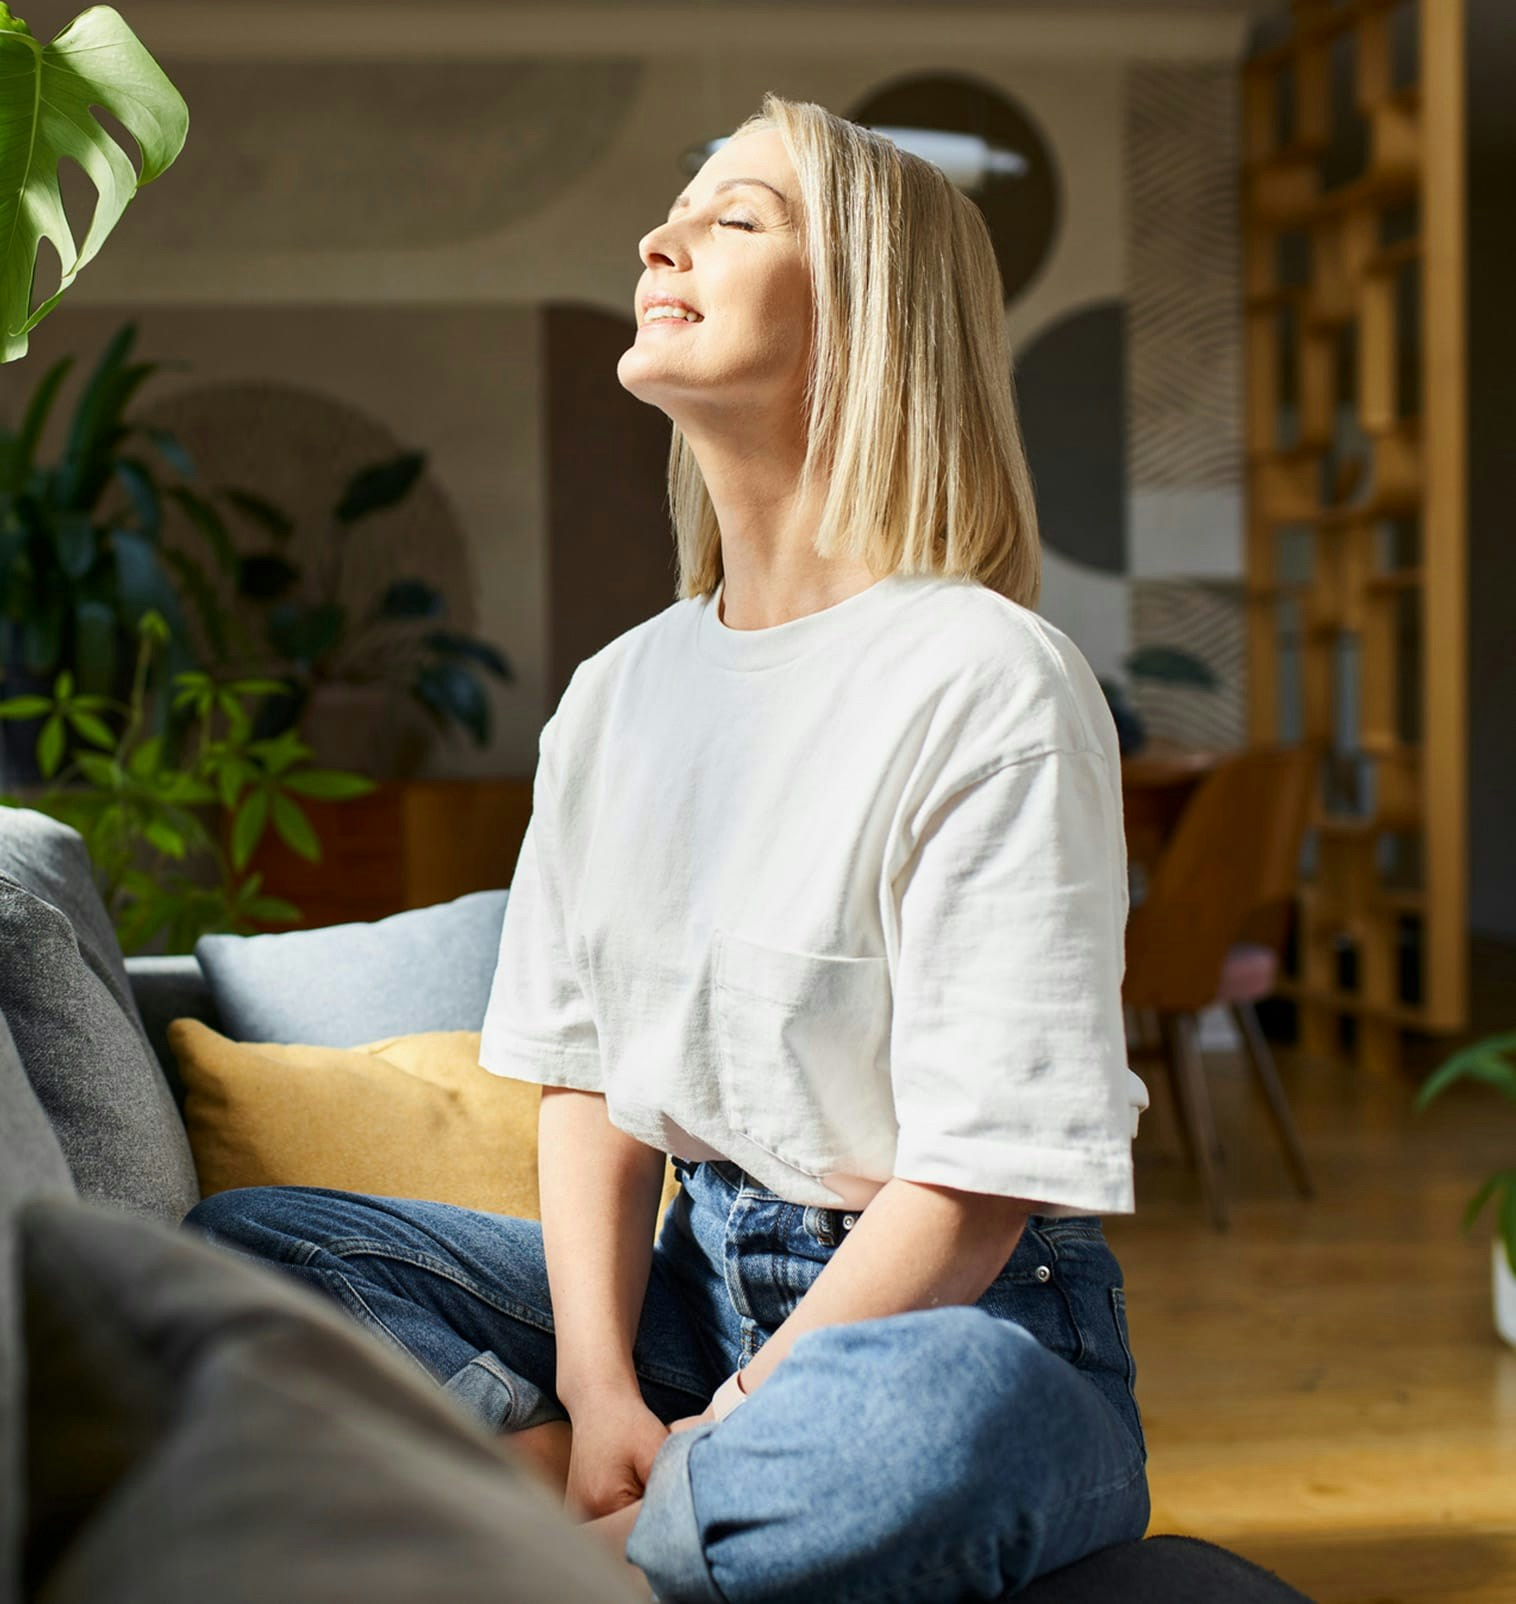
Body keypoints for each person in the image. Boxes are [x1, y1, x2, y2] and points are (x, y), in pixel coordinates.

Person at [185, 92, 1153, 1604]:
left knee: (954, 1419)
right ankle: (597, 1515)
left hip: (957, 1314)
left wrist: (750, 1420)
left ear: (868, 317)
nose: (659, 239)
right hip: (684, 1295)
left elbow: (975, 1184)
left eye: (735, 216)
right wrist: (600, 1395)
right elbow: (589, 1080)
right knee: (243, 1243)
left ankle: (535, 1554)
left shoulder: (991, 679)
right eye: (675, 208)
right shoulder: (619, 693)